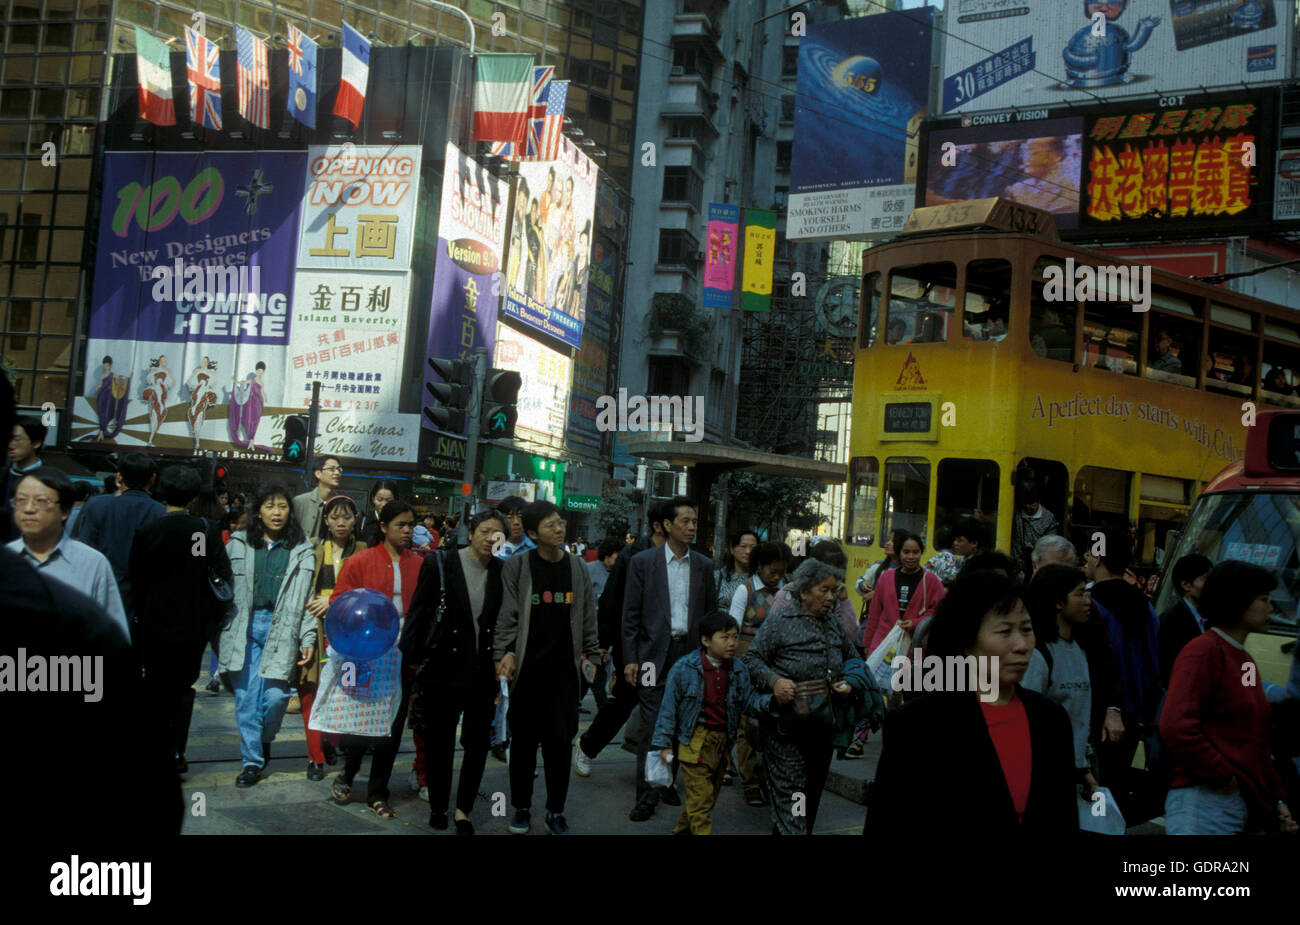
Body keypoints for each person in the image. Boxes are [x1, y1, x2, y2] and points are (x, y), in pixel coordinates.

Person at [865, 570, 1078, 833]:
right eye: (1005, 631)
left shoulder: (1051, 719)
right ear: (967, 641)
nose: (1022, 645)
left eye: (1026, 629)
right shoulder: (917, 726)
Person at [1160, 561, 1297, 835]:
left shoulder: (1244, 660)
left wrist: (1278, 797)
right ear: (1238, 601)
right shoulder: (1203, 651)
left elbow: (1256, 734)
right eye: (1263, 599)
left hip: (1240, 803)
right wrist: (1224, 773)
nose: (1271, 608)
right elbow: (1175, 725)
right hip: (1204, 803)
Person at [494, 501, 599, 835]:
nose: (559, 529)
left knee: (559, 746)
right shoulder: (518, 566)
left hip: (564, 676)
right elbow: (508, 615)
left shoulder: (578, 567)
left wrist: (593, 657)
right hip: (527, 672)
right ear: (532, 533)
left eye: (561, 523)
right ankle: (521, 808)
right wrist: (504, 652)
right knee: (523, 745)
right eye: (551, 525)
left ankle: (556, 810)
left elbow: (587, 617)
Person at [744, 559, 872, 834]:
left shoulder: (833, 625)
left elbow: (854, 660)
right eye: (823, 590)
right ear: (803, 591)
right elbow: (752, 659)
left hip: (823, 724)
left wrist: (849, 681)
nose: (830, 597)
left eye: (833, 591)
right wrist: (775, 680)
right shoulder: (780, 621)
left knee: (810, 794)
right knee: (793, 796)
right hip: (786, 725)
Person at [403, 510, 507, 835]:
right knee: (440, 743)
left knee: (477, 744)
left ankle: (463, 810)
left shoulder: (503, 572)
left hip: (481, 672)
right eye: (486, 531)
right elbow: (419, 612)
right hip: (442, 670)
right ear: (471, 531)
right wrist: (413, 659)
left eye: (498, 534)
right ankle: (438, 806)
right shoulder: (441, 564)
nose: (492, 539)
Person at [129, 465, 231, 774]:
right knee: (183, 689)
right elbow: (218, 574)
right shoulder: (203, 530)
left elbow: (137, 580)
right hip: (192, 626)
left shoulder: (147, 532)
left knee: (155, 687)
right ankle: (176, 752)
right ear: (193, 495)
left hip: (153, 625)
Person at [623, 495, 716, 822]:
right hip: (650, 657)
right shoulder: (643, 563)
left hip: (689, 656)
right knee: (650, 726)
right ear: (666, 525)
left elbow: (710, 617)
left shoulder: (704, 566)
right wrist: (631, 659)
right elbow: (631, 616)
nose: (691, 527)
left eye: (694, 521)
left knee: (681, 724)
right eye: (685, 521)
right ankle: (647, 795)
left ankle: (665, 781)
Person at [329, 500, 423, 818]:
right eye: (401, 524)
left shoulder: (421, 564)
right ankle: (348, 772)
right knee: (358, 725)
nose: (408, 530)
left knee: (391, 729)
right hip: (363, 655)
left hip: (402, 657)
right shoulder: (360, 562)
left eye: (411, 525)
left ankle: (377, 793)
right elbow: (339, 602)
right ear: (383, 527)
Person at [219, 482, 316, 788]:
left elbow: (307, 601)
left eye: (283, 506)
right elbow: (221, 590)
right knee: (247, 700)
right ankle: (251, 762)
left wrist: (308, 638)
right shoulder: (238, 544)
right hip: (243, 628)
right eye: (270, 506)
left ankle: (262, 741)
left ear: (291, 511)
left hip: (282, 628)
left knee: (275, 700)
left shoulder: (301, 549)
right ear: (258, 511)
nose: (276, 512)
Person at [652, 611, 774, 834]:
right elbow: (668, 710)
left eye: (735, 637)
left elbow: (750, 701)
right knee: (701, 803)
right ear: (706, 640)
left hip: (723, 744)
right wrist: (664, 744)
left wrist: (774, 700)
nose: (732, 643)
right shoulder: (683, 669)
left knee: (704, 801)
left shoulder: (738, 669)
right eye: (725, 637)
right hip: (694, 742)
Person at [574, 501, 672, 779]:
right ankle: (587, 745)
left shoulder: (683, 557)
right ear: (659, 525)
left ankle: (658, 770)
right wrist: (603, 645)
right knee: (627, 698)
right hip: (638, 645)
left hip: (669, 645)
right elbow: (612, 602)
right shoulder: (633, 555)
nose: (688, 527)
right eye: (681, 521)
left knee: (664, 703)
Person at [1085, 528, 1164, 821]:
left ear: (1099, 558)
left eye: (1090, 553)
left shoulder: (1089, 605)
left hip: (1099, 711)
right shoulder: (1145, 606)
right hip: (1134, 713)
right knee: (1115, 787)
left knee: (1093, 786)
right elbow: (1154, 662)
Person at [8, 466, 128, 639]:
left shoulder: (93, 563)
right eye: (20, 500)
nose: (28, 509)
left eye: (40, 501)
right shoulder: (5, 560)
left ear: (65, 510)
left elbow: (114, 637)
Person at [1021, 564, 1098, 804]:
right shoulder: (1038, 655)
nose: (1087, 601)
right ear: (1057, 602)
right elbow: (1027, 719)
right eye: (1079, 593)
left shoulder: (1080, 649)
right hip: (1042, 773)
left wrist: (1083, 766)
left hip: (1074, 772)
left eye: (1088, 593)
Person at [302, 494, 363, 778]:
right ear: (325, 521)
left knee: (343, 692)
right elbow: (303, 593)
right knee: (311, 691)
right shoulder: (312, 550)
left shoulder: (364, 550)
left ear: (356, 520)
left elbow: (369, 594)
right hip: (315, 629)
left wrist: (333, 600)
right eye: (335, 517)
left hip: (350, 635)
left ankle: (332, 740)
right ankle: (315, 757)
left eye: (347, 517)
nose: (341, 523)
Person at [727, 540, 791, 805]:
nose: (777, 578)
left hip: (776, 662)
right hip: (746, 658)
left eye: (781, 573)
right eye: (772, 572)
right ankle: (749, 780)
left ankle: (767, 777)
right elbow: (732, 626)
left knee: (771, 721)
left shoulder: (785, 591)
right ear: (760, 566)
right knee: (746, 723)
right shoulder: (745, 590)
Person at [71, 451, 164, 619]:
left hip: (100, 593)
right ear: (152, 479)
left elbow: (83, 549)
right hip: (143, 599)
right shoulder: (161, 513)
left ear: (119, 477)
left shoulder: (97, 505)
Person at [862, 531, 945, 658]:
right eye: (906, 552)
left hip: (914, 647)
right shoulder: (886, 578)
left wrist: (916, 623)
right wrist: (868, 643)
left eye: (915, 552)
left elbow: (938, 612)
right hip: (882, 643)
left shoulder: (931, 581)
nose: (911, 557)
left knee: (909, 678)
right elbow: (874, 613)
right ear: (899, 552)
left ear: (921, 552)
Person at [1157, 554, 1213, 687]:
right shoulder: (1171, 622)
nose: (1213, 585)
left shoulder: (1211, 618)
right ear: (1186, 585)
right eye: (1206, 578)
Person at [3, 414, 46, 543]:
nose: (10, 445)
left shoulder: (48, 481)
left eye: (16, 439)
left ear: (36, 443)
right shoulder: (4, 476)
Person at [292, 455, 342, 545]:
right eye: (332, 469)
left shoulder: (341, 504)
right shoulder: (300, 502)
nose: (337, 473)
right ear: (318, 474)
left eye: (339, 469)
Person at [925, 516, 987, 587]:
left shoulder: (979, 569)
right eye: (955, 539)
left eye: (960, 540)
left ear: (974, 543)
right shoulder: (962, 561)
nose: (955, 543)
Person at [1011, 491, 1058, 578]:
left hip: (1038, 561)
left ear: (1038, 502)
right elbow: (1015, 540)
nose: (1029, 509)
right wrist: (1017, 559)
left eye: (1032, 506)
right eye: (1026, 506)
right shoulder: (1017, 515)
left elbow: (1051, 543)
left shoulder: (1048, 517)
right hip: (1018, 561)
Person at [714, 528, 759, 611]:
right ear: (732, 549)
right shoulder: (717, 577)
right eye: (743, 546)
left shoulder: (760, 578)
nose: (748, 551)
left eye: (753, 547)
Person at [854, 529, 901, 604]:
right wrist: (862, 585)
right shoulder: (877, 566)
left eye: (893, 541)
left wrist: (877, 594)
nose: (887, 543)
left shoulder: (907, 570)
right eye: (888, 540)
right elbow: (859, 583)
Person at [93, 355, 132, 440]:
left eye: (107, 365)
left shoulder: (113, 375)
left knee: (106, 413)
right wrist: (97, 389)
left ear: (110, 366)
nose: (105, 367)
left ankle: (102, 432)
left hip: (109, 398)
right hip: (102, 397)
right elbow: (100, 385)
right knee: (101, 413)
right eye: (104, 365)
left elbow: (120, 380)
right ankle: (101, 431)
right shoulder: (102, 375)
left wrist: (128, 379)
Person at [185, 356, 218, 450]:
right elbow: (188, 382)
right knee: (192, 413)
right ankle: (195, 435)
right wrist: (193, 388)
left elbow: (213, 383)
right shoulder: (197, 371)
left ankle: (197, 441)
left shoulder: (210, 373)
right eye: (202, 361)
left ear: (208, 363)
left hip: (203, 395)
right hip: (196, 394)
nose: (203, 363)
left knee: (199, 417)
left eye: (205, 362)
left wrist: (207, 389)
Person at [140, 354, 173, 447]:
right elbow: (148, 380)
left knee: (161, 412)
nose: (162, 361)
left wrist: (165, 386)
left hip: (162, 393)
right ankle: (151, 437)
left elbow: (170, 382)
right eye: (161, 360)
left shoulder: (167, 371)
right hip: (155, 392)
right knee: (153, 413)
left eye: (164, 360)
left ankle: (152, 436)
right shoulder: (153, 369)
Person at [358, 479, 401, 548]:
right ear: (373, 499)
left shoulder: (400, 523)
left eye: (388, 500)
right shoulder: (362, 522)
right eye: (380, 500)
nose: (384, 504)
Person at [494, 495, 536, 560]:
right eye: (509, 517)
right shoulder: (492, 547)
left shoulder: (535, 546)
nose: (516, 522)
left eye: (520, 516)